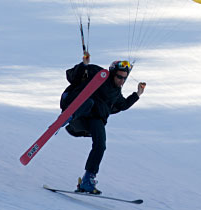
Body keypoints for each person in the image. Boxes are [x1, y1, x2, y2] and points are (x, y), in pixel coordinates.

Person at [61, 52, 146, 194]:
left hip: (93, 121)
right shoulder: (98, 74)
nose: (122, 81)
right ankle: (66, 117)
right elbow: (72, 77)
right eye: (119, 77)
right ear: (113, 73)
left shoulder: (116, 93)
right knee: (89, 102)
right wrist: (84, 65)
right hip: (78, 114)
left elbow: (123, 105)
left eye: (124, 78)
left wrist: (137, 94)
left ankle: (87, 181)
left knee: (101, 145)